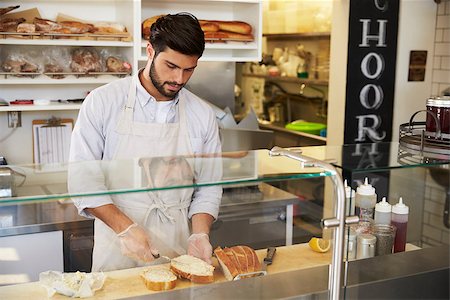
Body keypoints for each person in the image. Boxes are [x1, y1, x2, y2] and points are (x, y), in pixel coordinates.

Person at [68, 13, 222, 272]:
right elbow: (83, 180)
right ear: (150, 51)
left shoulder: (203, 114)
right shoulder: (103, 102)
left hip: (179, 248)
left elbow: (209, 187)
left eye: (189, 69)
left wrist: (199, 235)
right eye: (171, 66)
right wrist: (125, 229)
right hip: (118, 244)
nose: (179, 79)